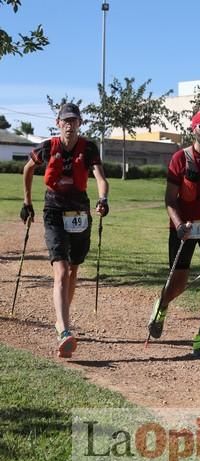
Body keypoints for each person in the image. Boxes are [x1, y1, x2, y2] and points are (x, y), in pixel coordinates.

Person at [20, 103, 109, 358]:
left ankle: (62, 321)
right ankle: (64, 330)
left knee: (73, 269)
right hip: (54, 211)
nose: (70, 125)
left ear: (80, 123)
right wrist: (27, 202)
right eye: (65, 121)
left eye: (74, 121)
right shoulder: (48, 147)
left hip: (80, 212)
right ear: (58, 123)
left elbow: (101, 178)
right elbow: (28, 169)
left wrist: (103, 199)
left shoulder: (89, 148)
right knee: (60, 270)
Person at [148, 109, 200, 359]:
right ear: (193, 129)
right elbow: (169, 199)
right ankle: (161, 306)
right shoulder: (179, 159)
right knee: (178, 284)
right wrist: (178, 225)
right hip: (183, 228)